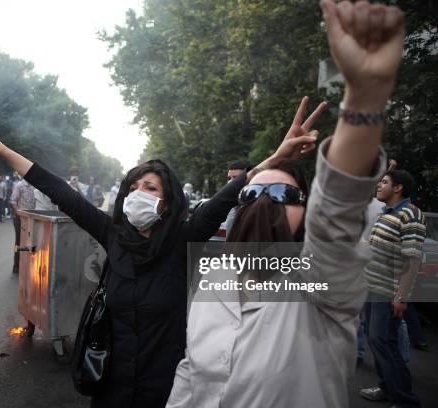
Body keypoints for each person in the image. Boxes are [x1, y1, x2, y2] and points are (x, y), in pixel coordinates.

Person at [0, 90, 321, 406]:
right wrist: (3, 151)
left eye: (150, 188)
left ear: (167, 203)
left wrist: (277, 156)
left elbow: (228, 195)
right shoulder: (112, 234)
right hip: (110, 387)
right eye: (133, 186)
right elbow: (61, 191)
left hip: (167, 390)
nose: (138, 193)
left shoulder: (185, 238)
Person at [166, 1, 404, 407]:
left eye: (282, 195)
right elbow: (191, 371)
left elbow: (338, 213)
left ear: (307, 211)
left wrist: (364, 98)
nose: (264, 202)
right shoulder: (215, 279)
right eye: (252, 194)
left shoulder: (318, 283)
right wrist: (274, 160)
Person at [360, 169, 426, 407]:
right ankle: (388, 387)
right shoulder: (387, 213)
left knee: (382, 342)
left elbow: (412, 259)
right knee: (377, 340)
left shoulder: (411, 214)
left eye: (384, 182)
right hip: (372, 286)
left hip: (387, 291)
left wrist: (401, 296)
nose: (378, 185)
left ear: (398, 188)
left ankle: (405, 399)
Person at [10, 178, 36, 274]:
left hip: (32, 218)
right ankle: (16, 266)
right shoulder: (19, 185)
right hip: (20, 218)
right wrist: (20, 215)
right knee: (19, 241)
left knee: (32, 241)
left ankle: (29, 265)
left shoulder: (35, 186)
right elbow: (13, 201)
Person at [224, 161, 252, 236]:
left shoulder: (255, 207)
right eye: (229, 178)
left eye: (236, 178)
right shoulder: (230, 206)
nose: (231, 182)